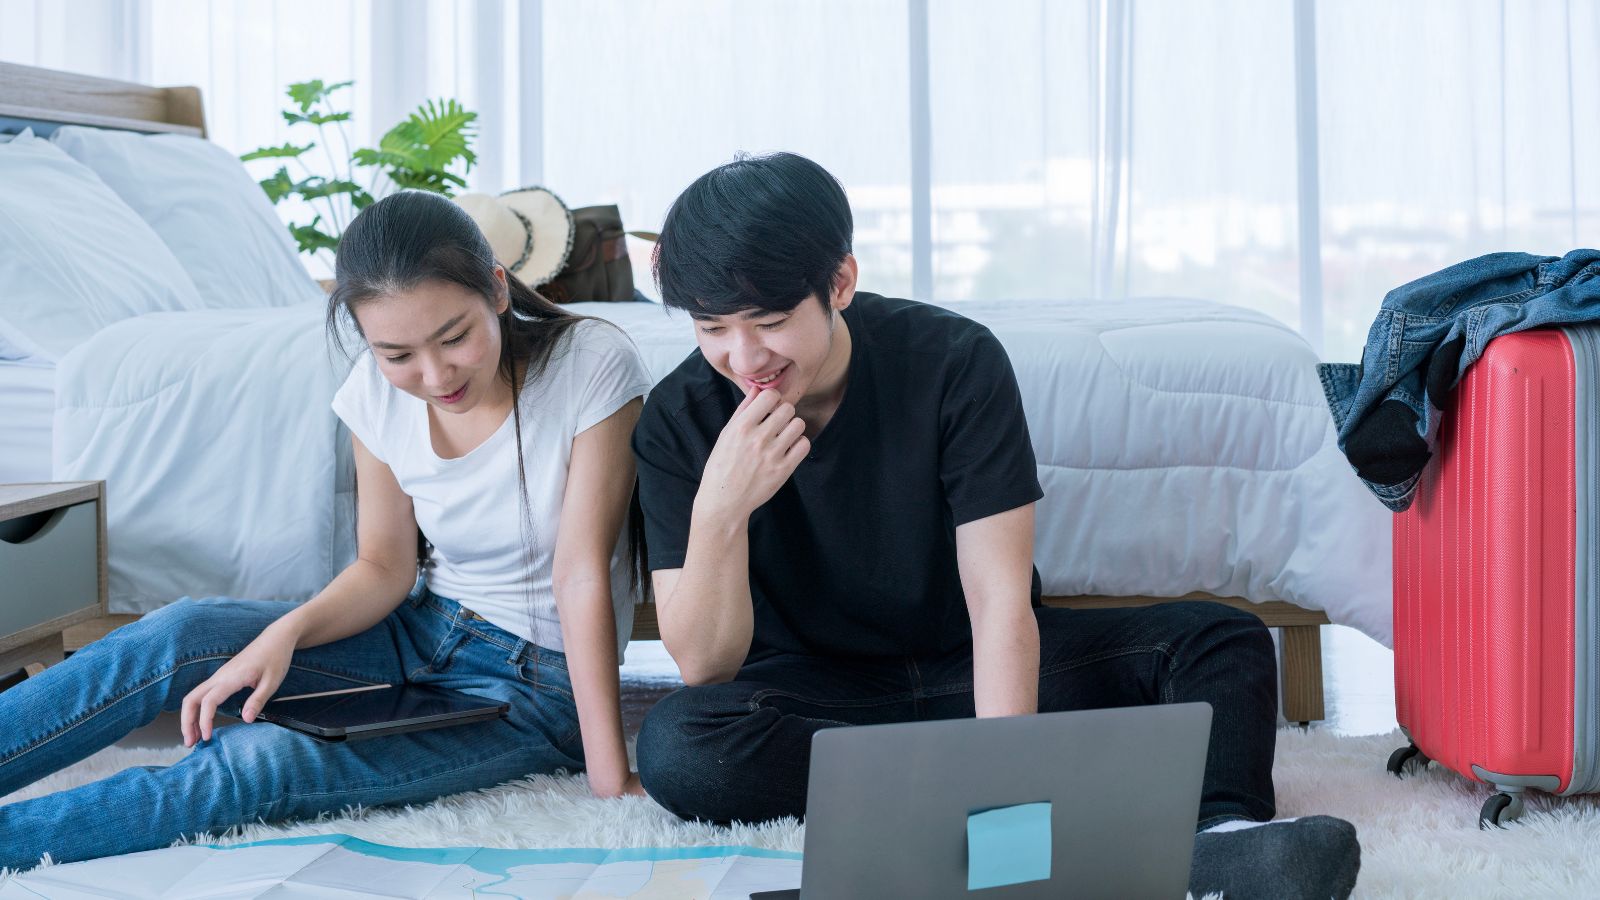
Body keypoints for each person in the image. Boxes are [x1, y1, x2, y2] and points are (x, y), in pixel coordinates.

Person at [629, 152, 1362, 899]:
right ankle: (1005, 803)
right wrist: (721, 508)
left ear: (840, 283)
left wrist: (1005, 800)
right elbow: (704, 668)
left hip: (971, 665)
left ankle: (1223, 848)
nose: (743, 356)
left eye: (772, 322)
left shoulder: (953, 362)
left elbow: (1000, 602)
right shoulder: (679, 419)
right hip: (821, 700)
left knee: (1221, 641)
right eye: (712, 327)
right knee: (680, 745)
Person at [0, 190, 652, 870]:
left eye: (454, 337)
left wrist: (607, 773)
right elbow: (384, 567)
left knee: (257, 767)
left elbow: (579, 573)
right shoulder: (371, 391)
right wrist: (281, 635)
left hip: (535, 686)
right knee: (178, 634)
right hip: (419, 629)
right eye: (397, 353)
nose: (433, 375)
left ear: (495, 288)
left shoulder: (590, 362)